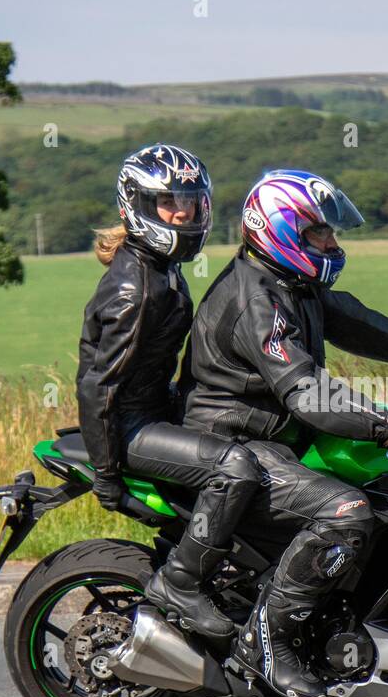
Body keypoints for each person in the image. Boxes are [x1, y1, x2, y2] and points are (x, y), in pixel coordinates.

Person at [179, 169, 388, 697]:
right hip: (235, 446)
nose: (333, 245)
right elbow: (308, 396)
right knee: (347, 512)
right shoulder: (258, 300)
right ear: (282, 229)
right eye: (321, 233)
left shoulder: (290, 283)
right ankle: (269, 645)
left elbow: (356, 321)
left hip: (276, 442)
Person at [76, 143, 261, 641]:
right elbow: (99, 385)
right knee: (234, 467)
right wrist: (107, 472)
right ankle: (182, 584)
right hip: (134, 428)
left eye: (191, 200)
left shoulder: (159, 268)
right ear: (136, 205)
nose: (183, 211)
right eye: (169, 202)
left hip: (159, 412)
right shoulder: (136, 288)